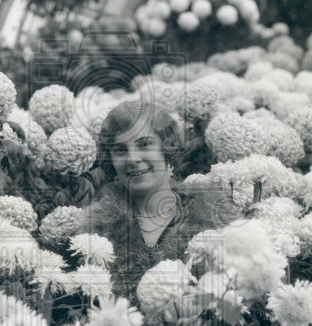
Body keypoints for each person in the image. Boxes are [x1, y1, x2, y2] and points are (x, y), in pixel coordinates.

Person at [75, 98, 241, 302]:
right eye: (120, 150)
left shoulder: (216, 220)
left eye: (144, 144)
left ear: (166, 147)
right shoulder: (94, 233)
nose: (133, 159)